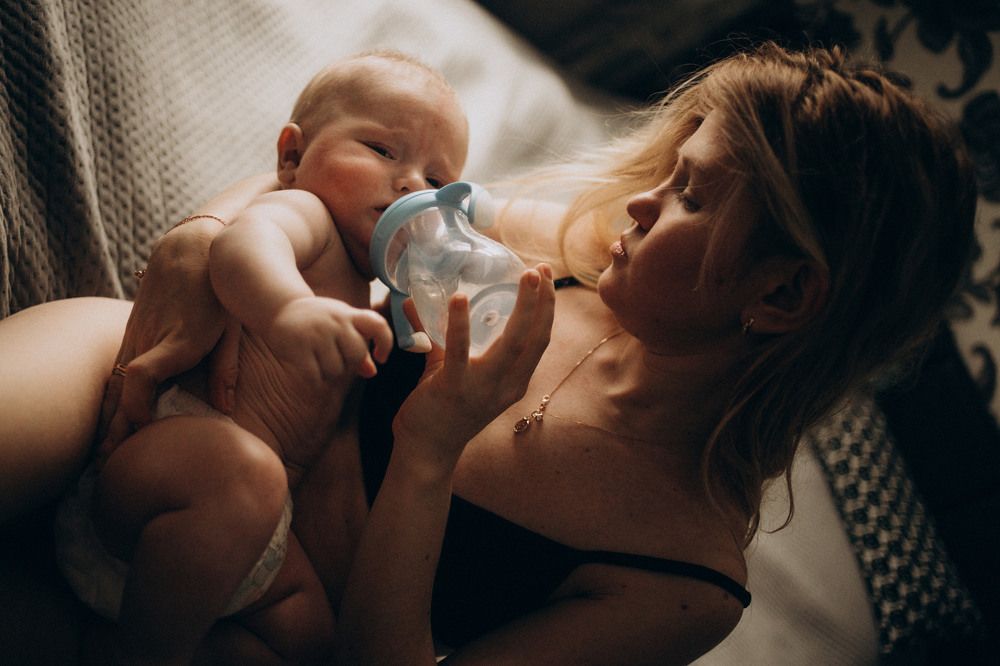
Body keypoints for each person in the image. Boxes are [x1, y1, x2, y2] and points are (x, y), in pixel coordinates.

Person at [0, 42, 976, 664]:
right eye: (673, 170)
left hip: (251, 611)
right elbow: (347, 186)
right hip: (167, 415)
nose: (641, 201)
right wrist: (202, 243)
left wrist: (429, 453)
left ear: (781, 295)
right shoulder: (578, 262)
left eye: (689, 195)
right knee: (90, 337)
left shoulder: (681, 581)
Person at [50, 49, 469, 665]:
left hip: (240, 541)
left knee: (310, 638)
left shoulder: (374, 293)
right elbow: (242, 245)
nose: (410, 184)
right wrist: (287, 309)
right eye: (383, 150)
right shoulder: (306, 216)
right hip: (167, 477)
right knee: (247, 477)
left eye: (435, 183)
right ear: (292, 157)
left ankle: (114, 639)